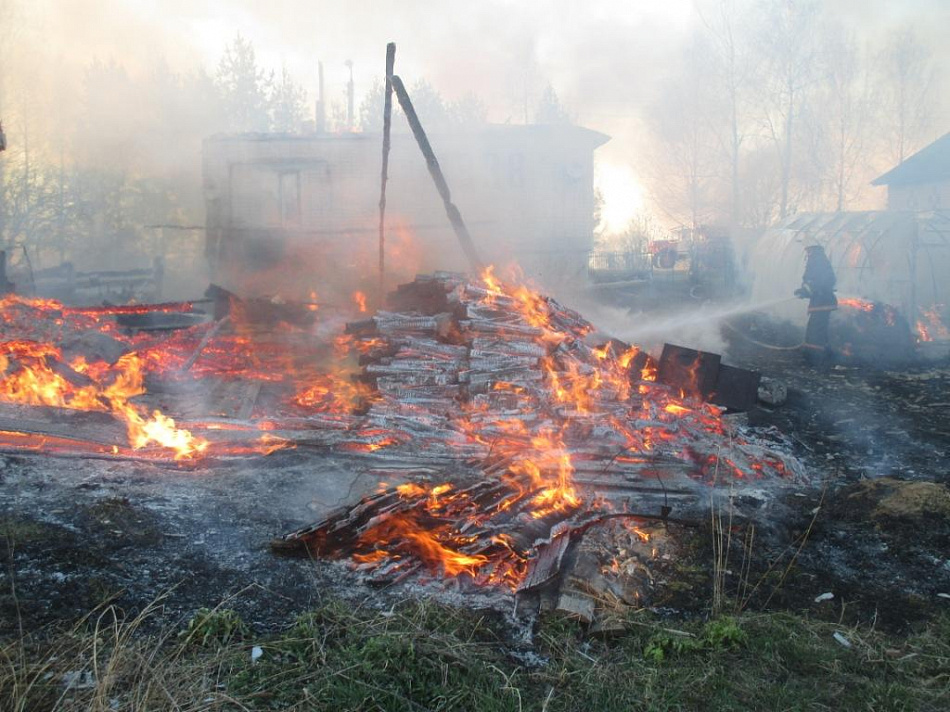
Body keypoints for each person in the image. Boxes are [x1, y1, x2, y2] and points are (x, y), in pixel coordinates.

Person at [794, 240, 837, 365]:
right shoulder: (819, 260)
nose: (807, 252)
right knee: (817, 329)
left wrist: (806, 290)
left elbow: (819, 281)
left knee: (815, 331)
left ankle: (814, 358)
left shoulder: (817, 261)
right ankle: (824, 354)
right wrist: (805, 291)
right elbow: (815, 282)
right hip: (821, 302)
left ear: (813, 249)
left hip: (822, 302)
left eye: (808, 250)